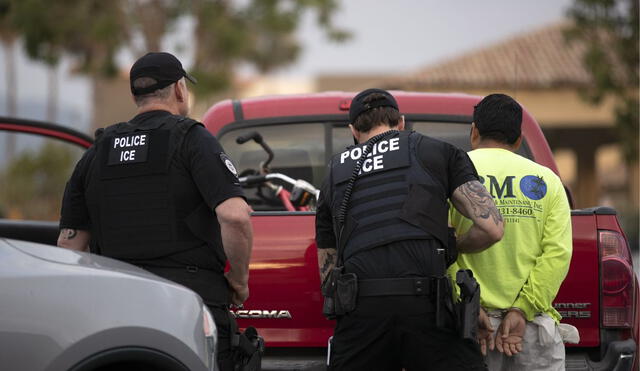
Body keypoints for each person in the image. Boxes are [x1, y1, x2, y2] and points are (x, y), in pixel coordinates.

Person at [57, 52, 255, 370]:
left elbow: (70, 246)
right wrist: (240, 280)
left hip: (115, 305)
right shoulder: (192, 139)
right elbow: (234, 215)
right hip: (189, 302)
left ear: (136, 95)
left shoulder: (96, 152)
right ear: (179, 89)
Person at [315, 88, 505, 371]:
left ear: (353, 131)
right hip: (427, 307)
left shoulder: (334, 172)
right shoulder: (436, 151)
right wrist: (454, 245)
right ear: (401, 122)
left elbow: (327, 274)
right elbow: (493, 228)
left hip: (362, 311)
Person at [449, 93, 572, 370]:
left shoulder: (450, 174)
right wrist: (522, 308)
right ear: (518, 140)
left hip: (469, 327)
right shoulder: (548, 182)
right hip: (530, 330)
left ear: (474, 132)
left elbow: (440, 248)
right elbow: (558, 253)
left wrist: (468, 304)